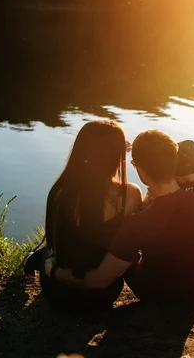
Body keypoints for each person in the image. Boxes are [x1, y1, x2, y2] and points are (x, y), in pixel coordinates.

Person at [44, 130, 194, 303]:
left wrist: (54, 271)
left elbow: (97, 281)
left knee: (121, 256)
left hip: (155, 293)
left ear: (140, 169)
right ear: (173, 161)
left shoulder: (138, 223)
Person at [24, 120, 142, 310]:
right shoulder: (131, 194)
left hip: (56, 293)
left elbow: (55, 241)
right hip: (102, 296)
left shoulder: (60, 191)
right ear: (117, 155)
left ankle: (34, 259)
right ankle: (36, 258)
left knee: (49, 250)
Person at [142, 139, 194, 206]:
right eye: (178, 181)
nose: (183, 184)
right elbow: (146, 205)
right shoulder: (160, 188)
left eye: (187, 181)